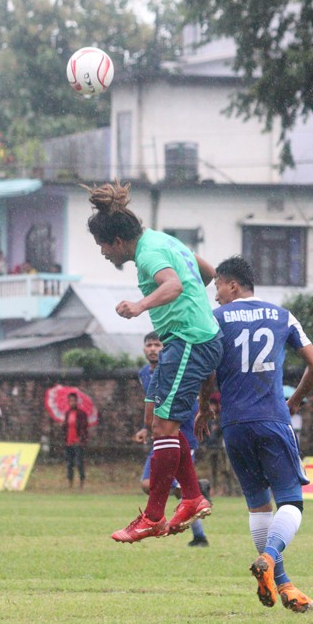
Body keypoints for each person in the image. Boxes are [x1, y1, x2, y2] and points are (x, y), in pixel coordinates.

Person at [84, 180, 223, 543]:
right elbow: (207, 273)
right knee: (167, 427)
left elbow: (174, 285)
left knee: (162, 427)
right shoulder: (165, 240)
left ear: (117, 241)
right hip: (193, 337)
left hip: (188, 340)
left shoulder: (147, 255)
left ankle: (153, 516)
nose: (102, 254)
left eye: (102, 246)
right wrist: (194, 305)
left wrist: (141, 305)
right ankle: (192, 497)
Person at [199, 255, 313, 613]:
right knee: (291, 502)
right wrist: (295, 401)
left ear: (233, 285)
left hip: (234, 425)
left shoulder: (216, 319)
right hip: (272, 418)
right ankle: (269, 558)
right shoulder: (282, 315)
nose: (217, 295)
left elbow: (207, 369)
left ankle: (283, 585)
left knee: (258, 506)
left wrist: (206, 406)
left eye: (219, 286)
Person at [134, 331, 211, 546]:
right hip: (161, 434)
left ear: (165, 348)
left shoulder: (176, 368)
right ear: (143, 349)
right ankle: (196, 490)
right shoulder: (144, 373)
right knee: (148, 484)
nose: (153, 349)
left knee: (183, 491)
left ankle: (199, 535)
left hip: (182, 434)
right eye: (149, 345)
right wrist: (146, 428)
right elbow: (153, 403)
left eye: (157, 345)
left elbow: (186, 401)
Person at [63, 392, 89, 491]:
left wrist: (81, 439)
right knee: (69, 464)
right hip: (69, 442)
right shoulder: (67, 413)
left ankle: (81, 484)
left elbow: (84, 428)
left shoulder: (81, 414)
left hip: (78, 443)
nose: (72, 403)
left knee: (79, 463)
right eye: (70, 401)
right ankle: (70, 484)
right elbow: (66, 428)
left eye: (73, 400)